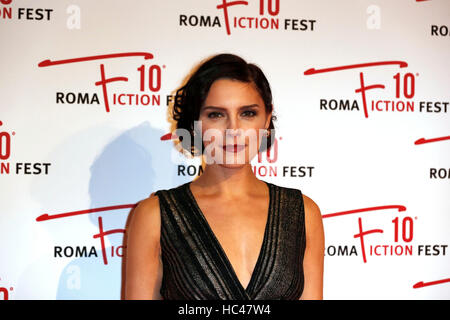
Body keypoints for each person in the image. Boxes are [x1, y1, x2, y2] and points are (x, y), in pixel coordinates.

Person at [124, 53, 324, 300]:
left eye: (247, 113)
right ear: (196, 123)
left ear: (267, 118)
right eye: (216, 115)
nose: (233, 130)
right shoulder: (155, 215)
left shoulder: (303, 213)